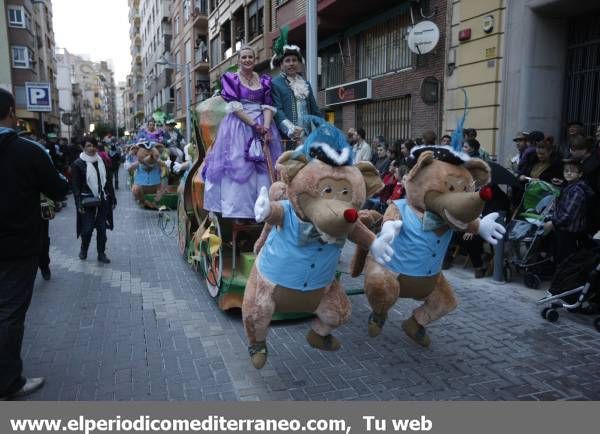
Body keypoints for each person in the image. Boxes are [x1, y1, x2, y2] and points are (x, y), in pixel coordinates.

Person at [0, 88, 69, 400]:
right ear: (12, 111)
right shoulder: (27, 151)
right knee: (10, 313)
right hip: (17, 246)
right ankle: (9, 382)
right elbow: (57, 188)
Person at [202, 45, 282, 219]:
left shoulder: (264, 80)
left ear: (255, 59)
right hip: (239, 126)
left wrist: (266, 127)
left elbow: (267, 106)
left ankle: (264, 210)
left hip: (262, 125)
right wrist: (255, 125)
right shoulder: (232, 79)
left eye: (250, 57)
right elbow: (235, 107)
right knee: (239, 164)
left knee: (264, 168)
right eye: (244, 57)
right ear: (238, 60)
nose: (247, 60)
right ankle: (240, 211)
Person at [70, 137, 116, 263]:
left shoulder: (102, 161)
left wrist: (112, 197)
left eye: (94, 145)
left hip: (102, 200)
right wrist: (78, 203)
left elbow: (107, 181)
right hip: (87, 201)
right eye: (89, 145)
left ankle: (101, 253)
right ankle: (84, 249)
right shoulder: (78, 164)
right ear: (83, 147)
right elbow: (75, 186)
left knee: (102, 229)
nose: (92, 148)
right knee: (87, 229)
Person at [271, 40, 321, 147]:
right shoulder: (275, 83)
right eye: (287, 61)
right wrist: (291, 129)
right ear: (281, 65)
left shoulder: (305, 84)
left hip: (306, 138)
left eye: (294, 60)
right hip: (286, 139)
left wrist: (324, 128)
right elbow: (277, 111)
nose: (291, 63)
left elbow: (315, 110)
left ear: (298, 63)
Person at [544, 159, 594, 265]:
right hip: (563, 229)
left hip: (569, 232)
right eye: (566, 171)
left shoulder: (577, 191)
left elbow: (568, 215)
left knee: (564, 261)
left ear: (580, 174)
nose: (569, 173)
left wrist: (553, 223)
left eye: (572, 171)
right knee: (559, 257)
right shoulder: (569, 186)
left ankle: (562, 279)